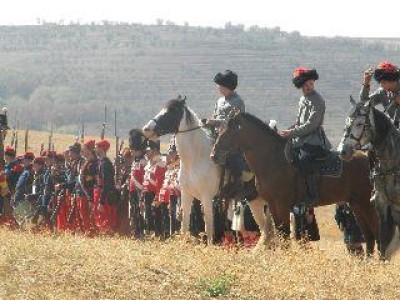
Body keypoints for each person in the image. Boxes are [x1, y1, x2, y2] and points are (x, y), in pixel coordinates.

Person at [280, 67, 331, 209]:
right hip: (299, 138)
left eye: (311, 84)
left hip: (313, 140)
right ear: (301, 86)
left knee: (304, 160)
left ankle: (312, 195)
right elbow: (299, 122)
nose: (309, 87)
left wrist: (292, 133)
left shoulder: (318, 100)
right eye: (306, 85)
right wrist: (287, 131)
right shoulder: (303, 99)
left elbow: (311, 125)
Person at [360, 61, 400, 127]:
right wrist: (366, 83)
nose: (382, 85)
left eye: (384, 82)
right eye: (380, 82)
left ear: (392, 80)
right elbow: (364, 102)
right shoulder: (382, 92)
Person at [141, 140, 166, 237]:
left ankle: (158, 234)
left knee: (156, 215)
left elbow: (159, 183)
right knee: (149, 215)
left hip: (155, 193)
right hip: (147, 193)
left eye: (148, 151)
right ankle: (151, 232)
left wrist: (157, 197)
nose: (146, 153)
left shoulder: (160, 164)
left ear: (154, 150)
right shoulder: (149, 164)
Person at [94, 139, 117, 234]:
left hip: (105, 196)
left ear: (102, 149)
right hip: (101, 194)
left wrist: (102, 202)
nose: (95, 150)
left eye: (97, 147)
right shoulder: (101, 162)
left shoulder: (106, 164)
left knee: (106, 221)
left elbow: (107, 184)